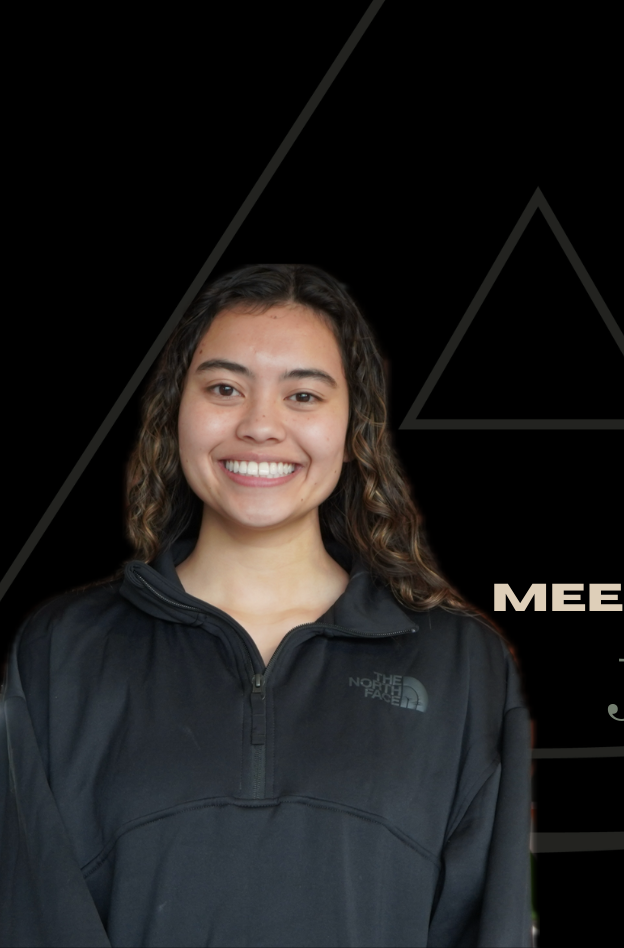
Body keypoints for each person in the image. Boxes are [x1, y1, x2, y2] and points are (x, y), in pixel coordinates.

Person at [0, 264, 533, 947]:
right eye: (224, 388)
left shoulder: (463, 665)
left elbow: (487, 926)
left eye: (303, 396)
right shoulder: (59, 653)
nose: (259, 426)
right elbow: (31, 916)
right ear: (174, 410)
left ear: (354, 427)